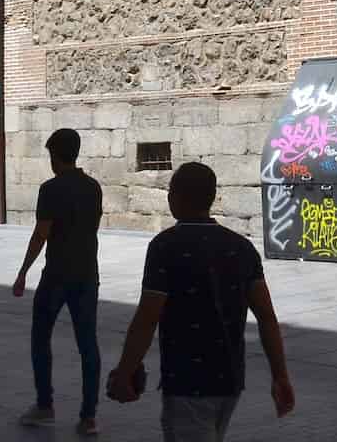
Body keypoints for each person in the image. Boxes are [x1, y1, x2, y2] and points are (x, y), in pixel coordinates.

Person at [106, 162, 293, 441]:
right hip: (229, 380)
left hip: (187, 382)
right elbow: (266, 317)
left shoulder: (164, 247)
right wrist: (280, 376)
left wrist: (125, 370)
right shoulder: (241, 248)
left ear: (175, 197)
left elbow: (147, 318)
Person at [13, 128, 104, 435]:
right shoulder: (94, 188)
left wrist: (24, 270)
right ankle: (89, 417)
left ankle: (45, 406)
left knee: (41, 339)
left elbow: (42, 233)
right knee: (88, 344)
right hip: (88, 275)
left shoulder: (50, 189)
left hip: (57, 276)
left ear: (54, 155)